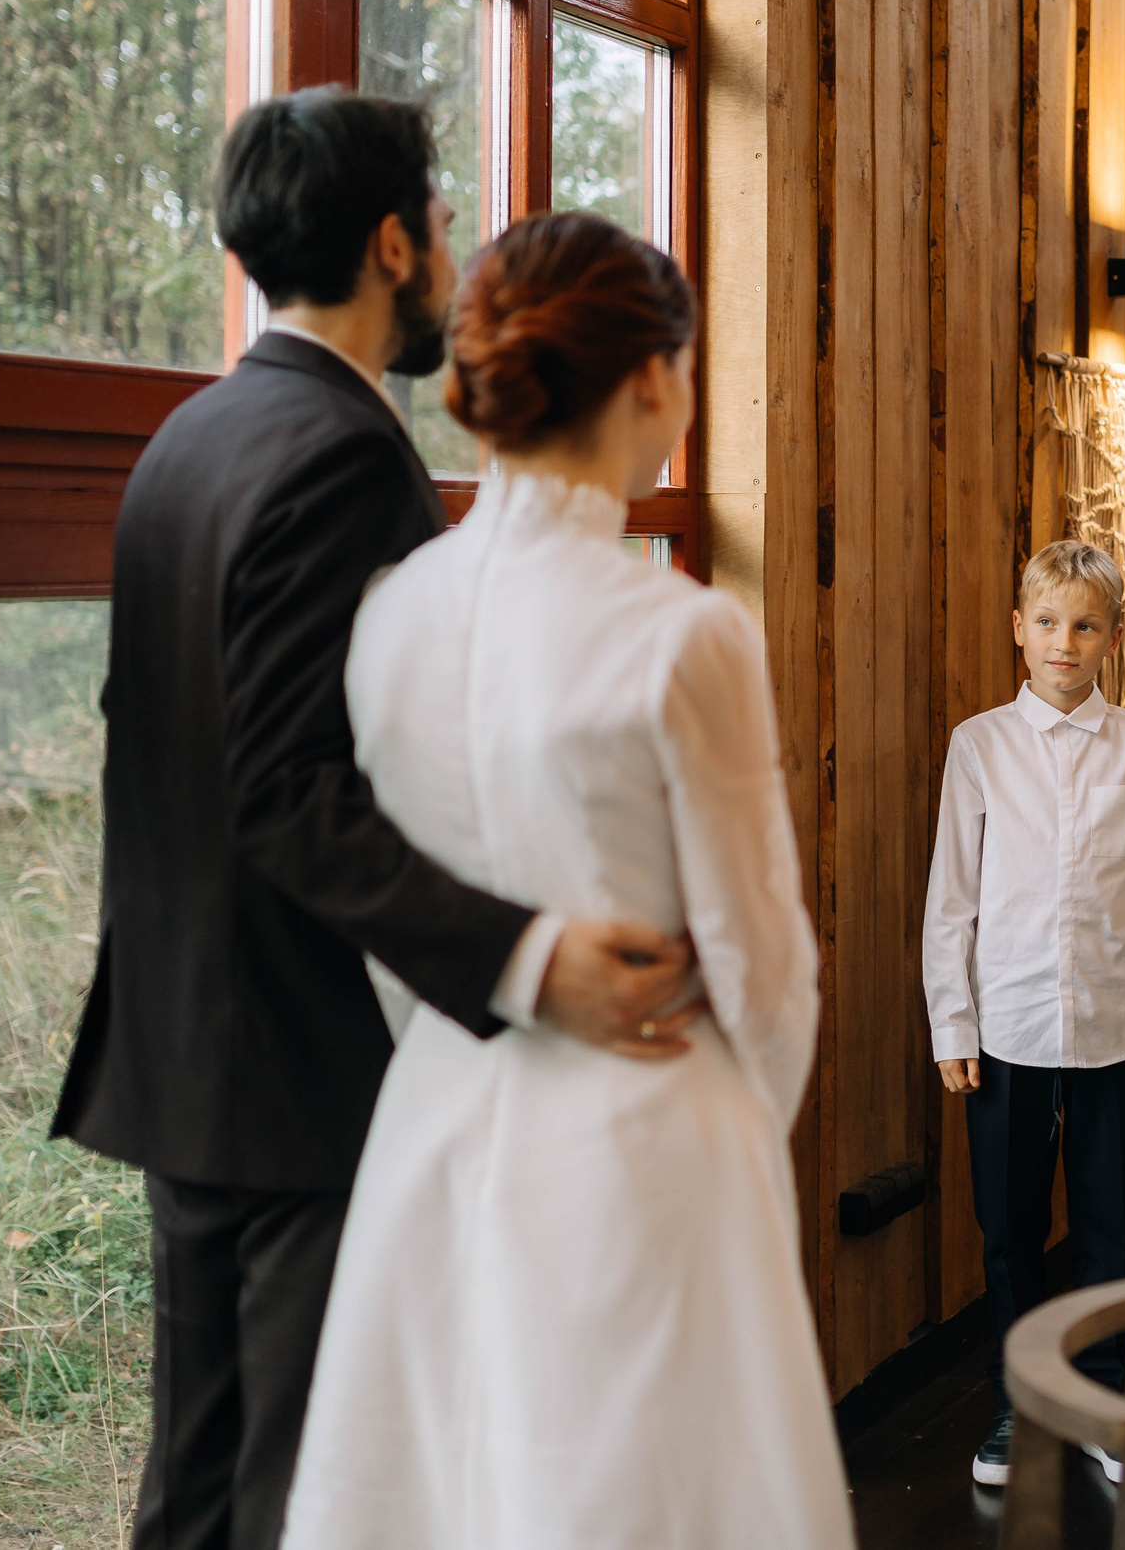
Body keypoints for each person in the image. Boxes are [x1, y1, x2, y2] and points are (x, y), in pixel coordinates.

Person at [53, 90, 695, 1550]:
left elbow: (160, 748)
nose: (450, 253)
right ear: (393, 242)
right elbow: (290, 790)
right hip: (297, 1059)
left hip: (180, 1046)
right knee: (299, 1497)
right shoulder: (342, 452)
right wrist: (526, 952)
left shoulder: (188, 438)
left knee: (193, 1487)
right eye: (443, 226)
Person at [279, 212, 850, 1547]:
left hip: (436, 1104)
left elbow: (392, 922)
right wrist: (741, 1122)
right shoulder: (685, 629)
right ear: (653, 377)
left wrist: (465, 1024)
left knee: (449, 1489)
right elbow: (761, 959)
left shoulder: (389, 611)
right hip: (646, 1127)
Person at [922, 540, 1125, 1489]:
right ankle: (1016, 1402)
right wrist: (951, 1024)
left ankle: (1099, 1394)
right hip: (1005, 1029)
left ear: (1113, 637)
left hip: (1115, 1024)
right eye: (1047, 622)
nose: (1064, 642)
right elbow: (951, 899)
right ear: (1019, 628)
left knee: (1111, 1226)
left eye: (1086, 625)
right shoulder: (980, 746)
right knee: (1007, 1228)